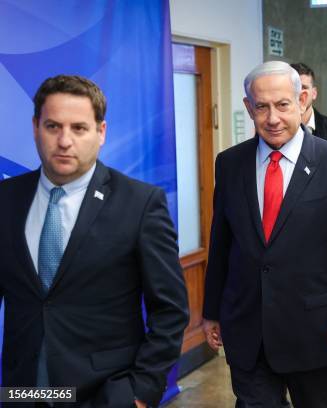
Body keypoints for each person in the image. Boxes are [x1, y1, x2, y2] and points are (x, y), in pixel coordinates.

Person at [0, 75, 189, 407]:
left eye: (79, 128)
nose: (64, 141)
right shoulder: (6, 199)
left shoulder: (140, 203)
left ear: (101, 132)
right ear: (35, 127)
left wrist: (141, 393)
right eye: (53, 126)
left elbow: (170, 310)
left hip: (105, 394)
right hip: (22, 392)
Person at [202, 61, 327, 407]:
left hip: (313, 331)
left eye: (282, 105)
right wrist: (211, 311)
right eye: (261, 107)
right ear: (248, 107)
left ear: (303, 101)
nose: (272, 118)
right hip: (246, 328)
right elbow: (222, 241)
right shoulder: (229, 163)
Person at [290, 62, 327, 144]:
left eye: (304, 88)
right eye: (294, 87)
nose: (300, 93)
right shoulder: (274, 131)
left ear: (314, 93)